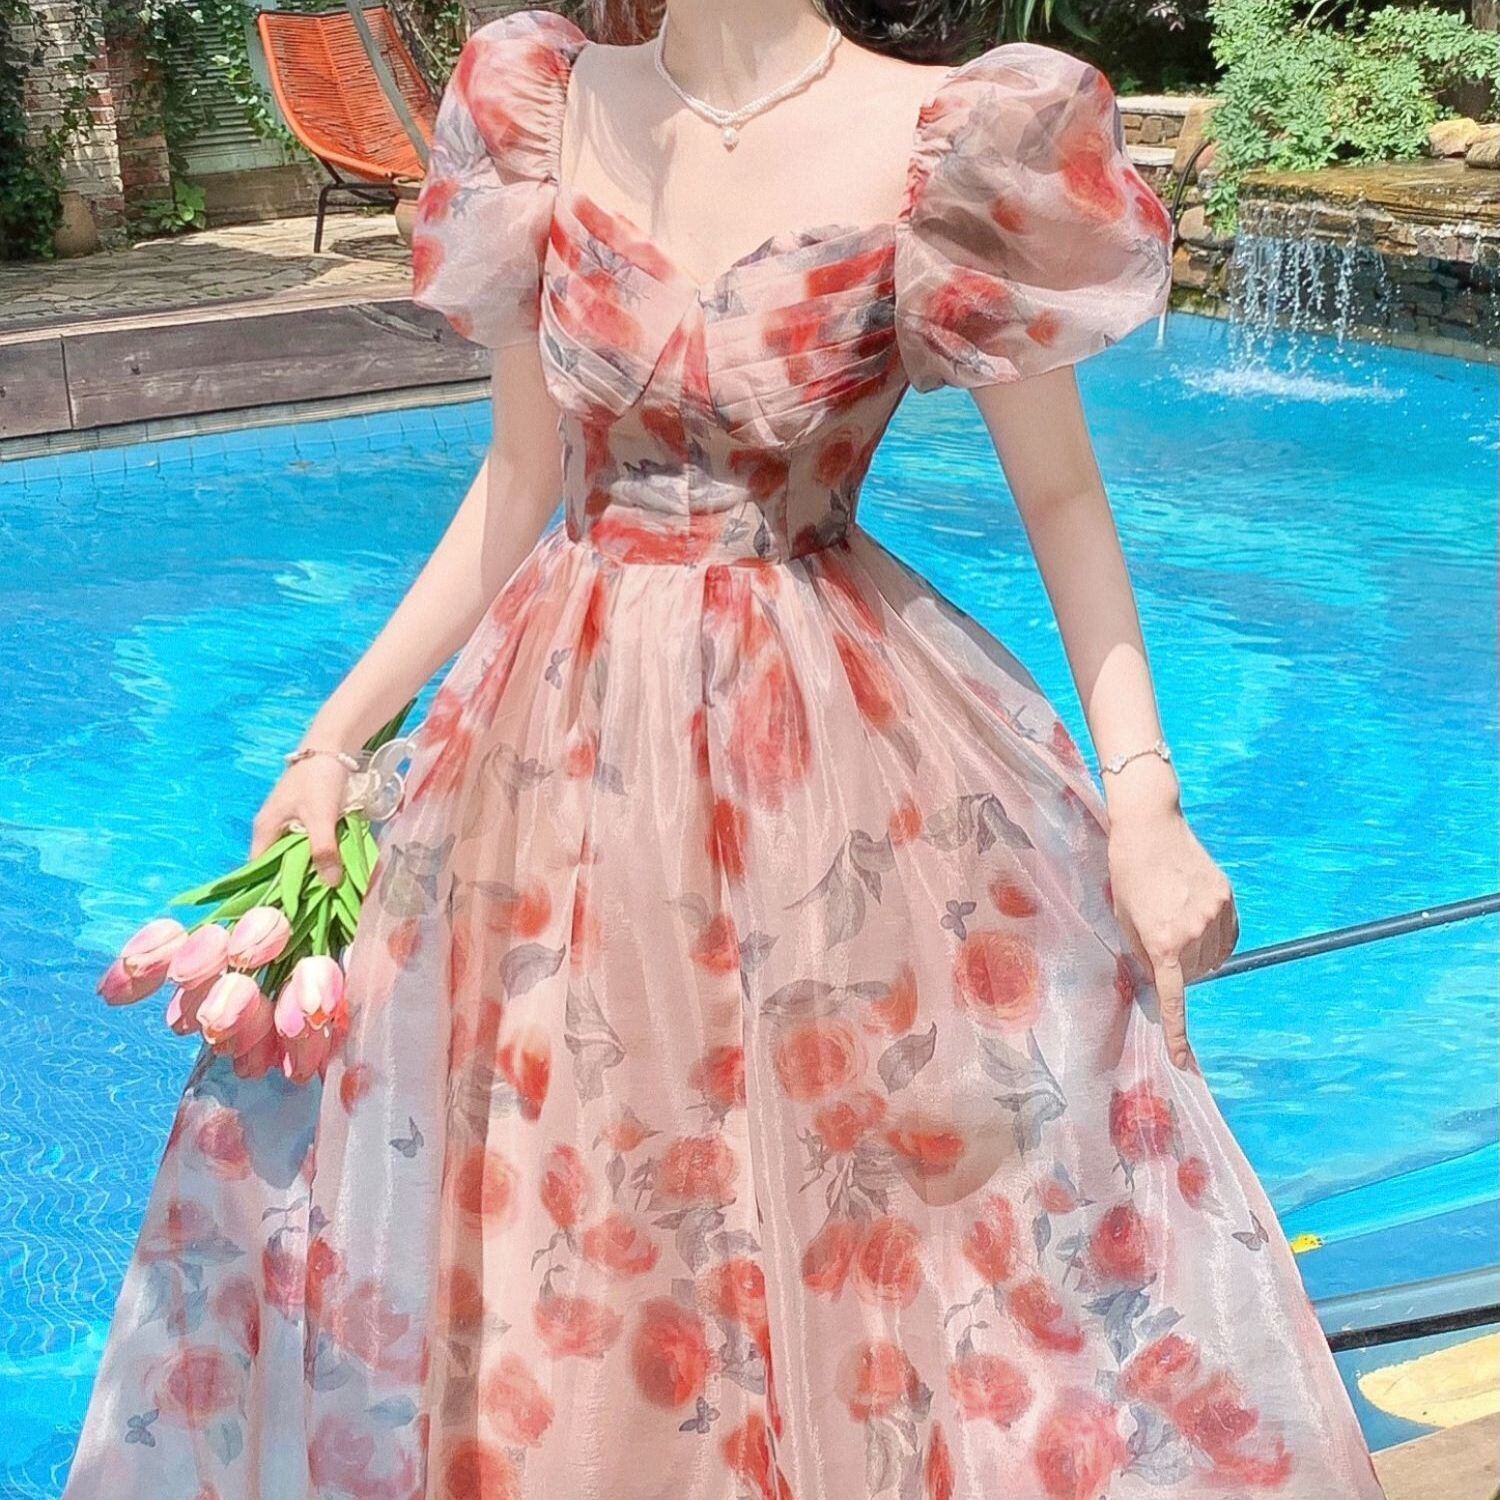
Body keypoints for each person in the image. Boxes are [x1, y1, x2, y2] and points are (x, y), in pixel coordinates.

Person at [64, 3, 1387, 1497]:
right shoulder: (538, 108)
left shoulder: (955, 141)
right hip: (554, 768)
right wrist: (334, 741)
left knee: (875, 1214)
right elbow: (521, 476)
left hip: (827, 769)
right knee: (569, 1214)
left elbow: (1065, 500)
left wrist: (1145, 800)